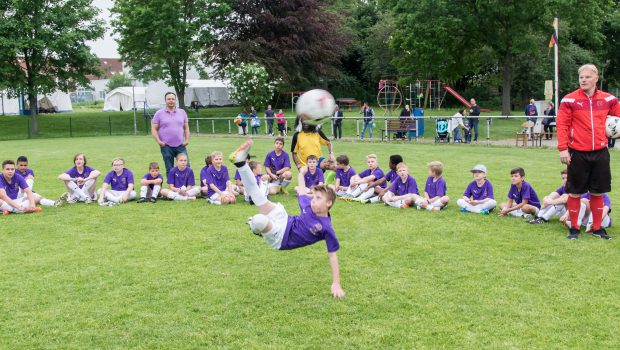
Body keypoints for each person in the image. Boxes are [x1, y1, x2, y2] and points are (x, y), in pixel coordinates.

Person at [229, 140, 345, 298]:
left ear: (329, 203)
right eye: (314, 197)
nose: (313, 200)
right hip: (285, 219)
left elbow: (333, 255)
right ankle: (241, 163)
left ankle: (254, 227)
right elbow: (303, 190)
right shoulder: (308, 205)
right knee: (257, 196)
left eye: (318, 198)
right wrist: (302, 174)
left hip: (281, 238)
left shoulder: (326, 227)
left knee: (258, 220)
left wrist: (336, 283)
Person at [556, 63, 620, 240]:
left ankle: (598, 228)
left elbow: (617, 120)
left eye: (587, 77)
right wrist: (563, 149)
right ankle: (574, 228)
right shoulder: (569, 100)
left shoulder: (609, 100)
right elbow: (562, 125)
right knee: (575, 191)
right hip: (577, 152)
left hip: (600, 152)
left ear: (596, 78)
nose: (583, 80)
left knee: (597, 191)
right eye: (581, 77)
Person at [1, 160, 66, 214]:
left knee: (36, 198)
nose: (10, 171)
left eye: (12, 169)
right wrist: (18, 207)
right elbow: (3, 196)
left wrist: (32, 205)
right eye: (7, 169)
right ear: (2, 170)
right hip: (4, 202)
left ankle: (54, 203)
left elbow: (28, 191)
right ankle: (17, 210)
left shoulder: (17, 176)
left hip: (15, 201)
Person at [151, 92, 191, 176]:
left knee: (186, 166)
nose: (171, 101)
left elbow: (186, 127)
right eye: (168, 99)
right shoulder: (159, 113)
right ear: (165, 100)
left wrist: (187, 140)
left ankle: (187, 186)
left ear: (175, 100)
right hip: (166, 146)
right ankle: (172, 187)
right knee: (170, 168)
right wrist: (159, 141)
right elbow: (154, 129)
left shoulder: (182, 112)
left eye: (173, 99)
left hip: (180, 145)